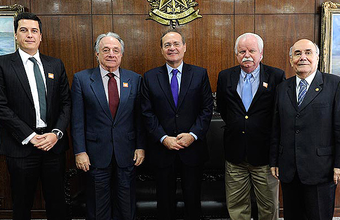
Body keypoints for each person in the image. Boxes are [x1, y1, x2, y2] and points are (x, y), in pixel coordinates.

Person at [0, 12, 71, 220]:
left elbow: (66, 103)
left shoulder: (55, 65)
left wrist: (56, 133)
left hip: (53, 146)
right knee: (22, 204)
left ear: (40, 36)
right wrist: (30, 136)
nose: (29, 35)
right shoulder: (3, 65)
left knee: (57, 203)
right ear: (15, 35)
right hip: (20, 146)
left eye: (34, 31)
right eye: (23, 30)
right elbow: (2, 107)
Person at [71, 32, 145, 220]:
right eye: (106, 50)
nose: (111, 54)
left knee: (126, 206)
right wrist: (80, 151)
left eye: (115, 50)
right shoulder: (82, 79)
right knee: (98, 207)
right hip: (95, 154)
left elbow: (139, 118)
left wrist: (140, 146)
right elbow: (77, 120)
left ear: (121, 54)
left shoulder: (135, 79)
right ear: (97, 54)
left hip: (127, 152)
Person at [141, 29, 213, 220]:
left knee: (193, 201)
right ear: (161, 50)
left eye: (176, 44)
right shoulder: (149, 77)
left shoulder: (199, 74)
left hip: (193, 150)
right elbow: (147, 113)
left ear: (184, 47)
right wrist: (163, 138)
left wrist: (193, 135)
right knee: (164, 203)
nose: (172, 48)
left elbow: (207, 109)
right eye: (167, 45)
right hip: (163, 150)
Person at [216, 33, 285, 220]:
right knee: (237, 207)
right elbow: (223, 108)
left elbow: (280, 113)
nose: (247, 55)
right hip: (234, 155)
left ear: (261, 54)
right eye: (242, 51)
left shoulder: (277, 76)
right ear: (236, 54)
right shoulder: (225, 76)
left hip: (265, 158)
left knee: (268, 207)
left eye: (252, 51)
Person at [270, 39, 340, 220]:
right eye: (298, 53)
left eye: (308, 52)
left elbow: (339, 128)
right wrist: (274, 161)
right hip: (289, 170)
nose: (303, 58)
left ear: (317, 57)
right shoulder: (282, 88)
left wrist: (338, 165)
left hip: (321, 170)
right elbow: (276, 127)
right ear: (291, 59)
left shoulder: (334, 85)